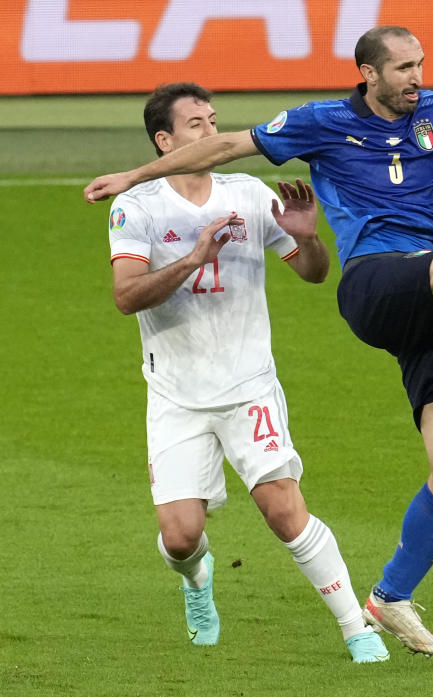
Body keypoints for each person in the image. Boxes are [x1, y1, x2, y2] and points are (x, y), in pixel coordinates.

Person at [85, 27, 433, 657]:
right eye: (404, 68)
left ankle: (390, 598)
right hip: (376, 282)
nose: (417, 78)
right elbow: (227, 145)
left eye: (420, 65)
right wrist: (135, 174)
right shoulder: (322, 122)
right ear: (368, 74)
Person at [104, 82, 389, 663]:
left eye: (214, 120)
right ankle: (196, 580)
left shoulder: (249, 195)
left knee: (284, 509)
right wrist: (191, 259)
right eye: (196, 125)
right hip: (176, 395)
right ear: (165, 140)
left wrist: (309, 240)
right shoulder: (137, 206)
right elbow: (127, 297)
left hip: (247, 384)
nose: (213, 132)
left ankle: (356, 627)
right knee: (181, 537)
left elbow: (312, 273)